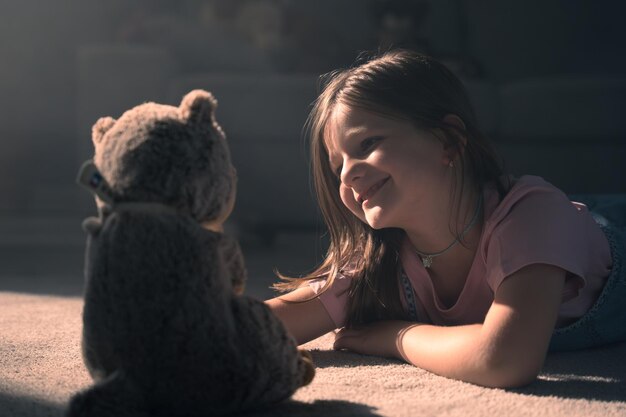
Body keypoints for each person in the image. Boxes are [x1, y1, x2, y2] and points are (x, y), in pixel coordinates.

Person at [265, 49, 625, 388]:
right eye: (337, 166)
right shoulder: (377, 263)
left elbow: (505, 359)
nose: (346, 175)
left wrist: (393, 335)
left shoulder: (530, 215)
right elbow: (255, 327)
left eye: (367, 145)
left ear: (448, 141)